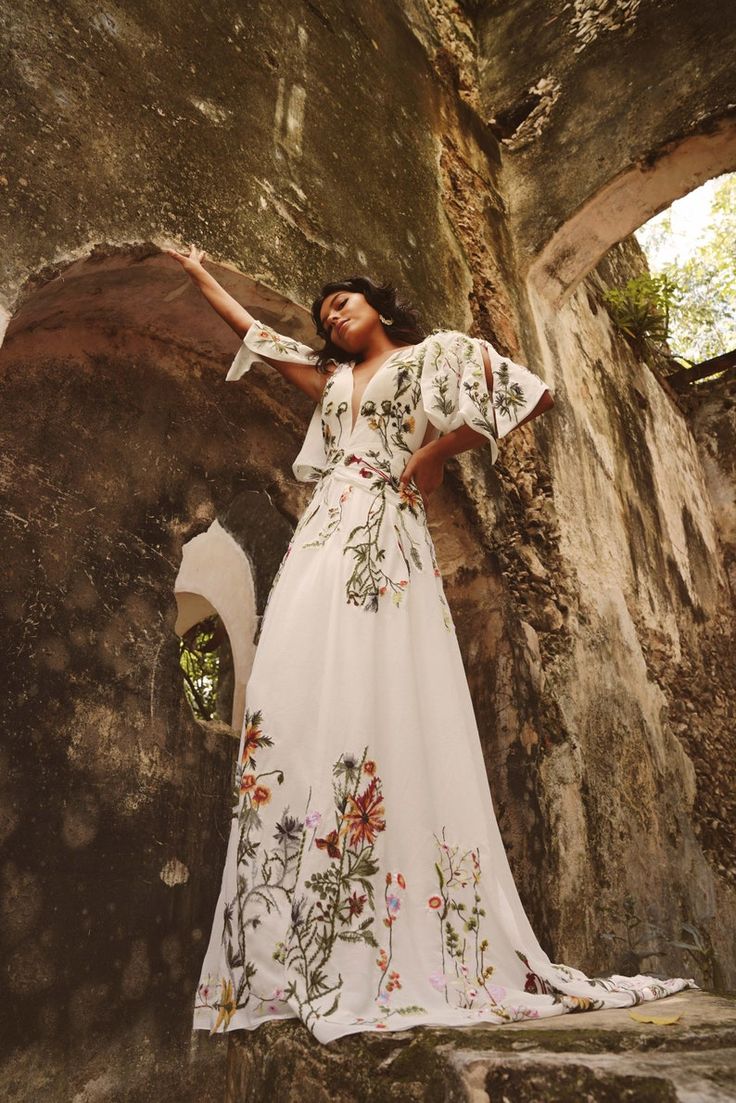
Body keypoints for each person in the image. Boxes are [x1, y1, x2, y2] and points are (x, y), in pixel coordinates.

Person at [167, 245, 696, 1045]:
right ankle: (303, 939)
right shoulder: (332, 382)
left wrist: (429, 453)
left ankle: (400, 934)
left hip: (387, 533)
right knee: (292, 691)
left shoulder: (433, 357)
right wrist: (201, 274)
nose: (330, 318)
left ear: (376, 303)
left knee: (386, 690)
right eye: (323, 318)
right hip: (322, 538)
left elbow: (531, 395)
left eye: (341, 304)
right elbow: (259, 335)